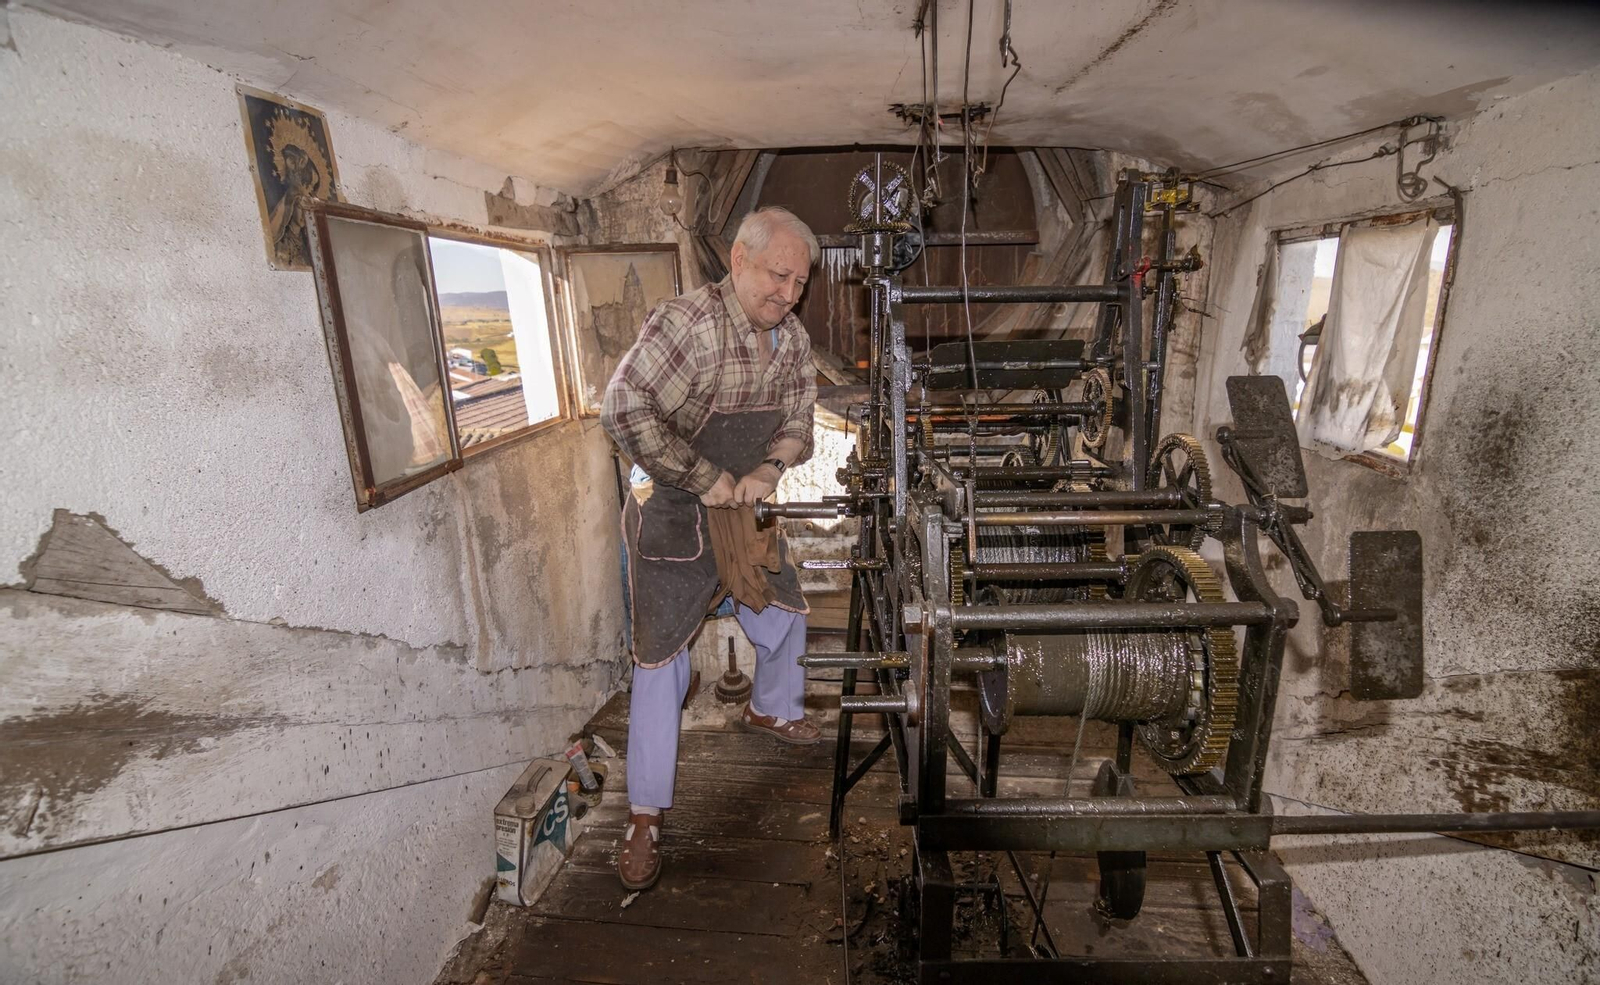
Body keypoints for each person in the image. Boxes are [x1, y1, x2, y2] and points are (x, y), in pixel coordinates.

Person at [601, 206, 820, 891]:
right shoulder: (687, 325)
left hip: (741, 504)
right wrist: (703, 477)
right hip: (670, 508)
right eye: (778, 276)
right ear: (738, 260)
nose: (787, 293)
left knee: (784, 612)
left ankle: (772, 707)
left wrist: (770, 469)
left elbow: (801, 419)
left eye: (799, 283)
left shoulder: (792, 339)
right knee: (660, 659)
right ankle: (645, 813)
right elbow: (622, 410)